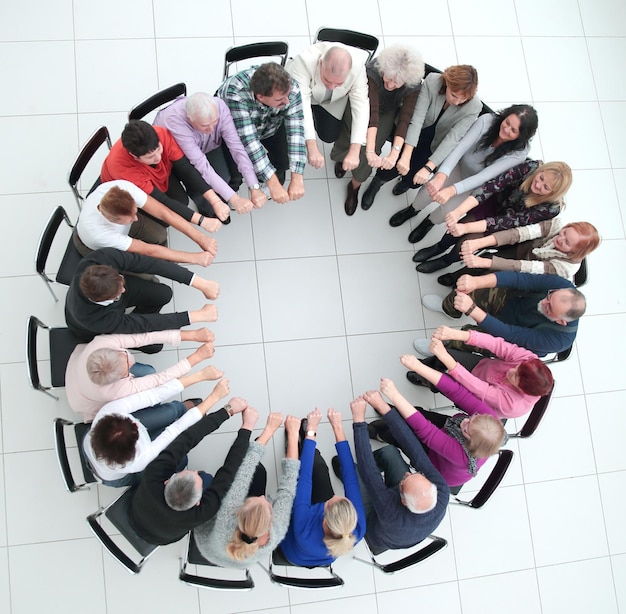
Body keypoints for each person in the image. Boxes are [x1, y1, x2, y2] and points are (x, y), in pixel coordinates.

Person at [390, 104, 539, 245]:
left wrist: (452, 190)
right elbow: (459, 149)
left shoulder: (519, 152)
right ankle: (412, 210)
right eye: (507, 122)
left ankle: (428, 223)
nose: (506, 130)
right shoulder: (487, 121)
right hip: (457, 165)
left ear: (521, 136)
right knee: (427, 192)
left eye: (513, 130)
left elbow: (485, 177)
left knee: (448, 211)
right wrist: (442, 175)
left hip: (476, 183)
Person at [128, 396, 254, 545]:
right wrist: (247, 427)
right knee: (207, 478)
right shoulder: (203, 513)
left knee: (191, 467)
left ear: (167, 482)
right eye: (196, 475)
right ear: (198, 503)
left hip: (134, 515)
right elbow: (229, 471)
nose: (195, 472)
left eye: (191, 473)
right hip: (158, 535)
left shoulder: (153, 475)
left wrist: (228, 411)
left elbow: (188, 437)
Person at [413, 159, 572, 274]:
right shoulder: (531, 167)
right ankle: (439, 247)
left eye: (545, 187)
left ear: (552, 194)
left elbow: (508, 223)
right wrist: (458, 212)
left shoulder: (550, 208)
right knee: (458, 225)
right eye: (541, 178)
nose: (537, 185)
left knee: (466, 242)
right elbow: (492, 185)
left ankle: (446, 261)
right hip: (495, 203)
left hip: (508, 226)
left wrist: (466, 229)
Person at [366, 362, 505, 488]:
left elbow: (426, 431)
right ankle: (394, 411)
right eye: (473, 417)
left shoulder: (461, 455)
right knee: (419, 413)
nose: (465, 420)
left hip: (437, 466)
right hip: (450, 429)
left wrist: (394, 395)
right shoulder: (489, 421)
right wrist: (418, 367)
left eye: (467, 427)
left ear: (469, 439)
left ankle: (381, 435)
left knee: (400, 435)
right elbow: (458, 392)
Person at [362, 64, 480, 209]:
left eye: (463, 100)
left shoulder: (474, 107)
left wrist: (429, 168)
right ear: (448, 83)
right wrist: (406, 154)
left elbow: (452, 139)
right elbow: (417, 118)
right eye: (454, 95)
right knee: (394, 163)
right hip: (416, 129)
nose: (457, 102)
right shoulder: (433, 81)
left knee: (415, 176)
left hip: (436, 142)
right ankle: (377, 182)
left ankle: (405, 183)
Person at [83, 371, 227, 487]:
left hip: (100, 449)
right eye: (136, 430)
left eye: (130, 421)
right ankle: (188, 410)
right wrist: (214, 397)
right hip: (113, 476)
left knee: (169, 412)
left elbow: (152, 395)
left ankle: (181, 408)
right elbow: (176, 430)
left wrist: (200, 375)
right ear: (134, 447)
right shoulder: (140, 459)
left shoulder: (106, 413)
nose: (138, 423)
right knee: (179, 458)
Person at [193, 413, 300, 568]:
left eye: (260, 500)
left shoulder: (227, 519)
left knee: (246, 473)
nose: (263, 497)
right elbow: (288, 486)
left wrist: (269, 430)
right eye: (266, 502)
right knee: (260, 474)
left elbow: (244, 473)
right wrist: (293, 435)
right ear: (271, 522)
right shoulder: (277, 531)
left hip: (209, 545)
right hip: (236, 559)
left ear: (237, 512)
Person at [331, 44, 423, 215]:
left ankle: (355, 186)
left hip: (388, 111)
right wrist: (370, 149)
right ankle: (343, 158)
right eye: (387, 78)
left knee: (374, 147)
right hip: (363, 103)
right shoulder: (373, 70)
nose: (390, 84)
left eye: (396, 82)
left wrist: (394, 152)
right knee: (349, 133)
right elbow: (371, 111)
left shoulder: (413, 85)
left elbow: (405, 119)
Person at [64, 248, 219, 349]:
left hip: (110, 302)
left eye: (121, 282)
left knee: (163, 293)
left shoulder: (100, 259)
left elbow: (150, 264)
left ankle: (144, 315)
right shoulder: (93, 319)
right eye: (119, 292)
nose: (123, 289)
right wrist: (197, 316)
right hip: (92, 328)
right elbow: (143, 324)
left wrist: (200, 283)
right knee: (155, 346)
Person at [350, 396, 449, 552]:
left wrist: (359, 422)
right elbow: (415, 450)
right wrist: (386, 410)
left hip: (379, 529)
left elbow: (368, 471)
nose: (406, 475)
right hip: (408, 523)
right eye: (415, 474)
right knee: (390, 452)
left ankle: (343, 468)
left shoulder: (390, 511)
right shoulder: (442, 491)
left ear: (402, 500)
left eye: (403, 482)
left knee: (353, 473)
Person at [420, 271, 586, 356]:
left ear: (561, 322)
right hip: (511, 303)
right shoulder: (563, 285)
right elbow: (521, 279)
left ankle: (437, 347)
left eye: (549, 309)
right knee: (476, 289)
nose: (544, 302)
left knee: (468, 338)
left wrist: (471, 310)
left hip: (510, 340)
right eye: (549, 296)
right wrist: (476, 282)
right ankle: (448, 309)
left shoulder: (557, 341)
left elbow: (511, 334)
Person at [65, 328, 216, 420]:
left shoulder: (101, 342)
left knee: (148, 372)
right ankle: (178, 409)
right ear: (117, 380)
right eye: (126, 372)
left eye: (124, 356)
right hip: (84, 399)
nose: (131, 362)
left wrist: (192, 335)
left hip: (78, 369)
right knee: (152, 394)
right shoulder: (113, 392)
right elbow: (159, 379)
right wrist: (197, 357)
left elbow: (144, 337)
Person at [154, 92, 268, 214]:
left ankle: (222, 200)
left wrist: (254, 186)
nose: (211, 130)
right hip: (178, 157)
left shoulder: (219, 106)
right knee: (199, 185)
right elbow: (202, 167)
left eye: (215, 122)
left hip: (207, 146)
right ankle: (209, 210)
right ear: (189, 118)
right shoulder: (175, 123)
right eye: (205, 126)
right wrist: (235, 199)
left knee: (224, 177)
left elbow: (237, 147)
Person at [280, 408, 366, 566]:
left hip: (293, 549)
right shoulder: (357, 527)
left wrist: (312, 431)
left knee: (293, 482)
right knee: (319, 468)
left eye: (330, 501)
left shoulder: (304, 532)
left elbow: (303, 479)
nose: (333, 496)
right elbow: (350, 478)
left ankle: (293, 444)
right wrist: (337, 427)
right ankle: (304, 445)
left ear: (324, 520)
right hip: (321, 539)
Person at [101, 120, 231, 224]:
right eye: (150, 157)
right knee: (167, 212)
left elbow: (187, 170)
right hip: (129, 190)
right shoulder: (121, 167)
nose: (158, 157)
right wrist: (201, 221)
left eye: (158, 148)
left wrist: (215, 201)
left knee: (181, 201)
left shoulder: (160, 134)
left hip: (159, 174)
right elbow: (160, 199)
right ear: (134, 157)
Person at [409, 327, 553, 419]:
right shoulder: (529, 360)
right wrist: (456, 334)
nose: (511, 369)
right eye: (518, 367)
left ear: (522, 388)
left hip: (476, 399)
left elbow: (479, 388)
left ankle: (424, 379)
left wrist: (446, 359)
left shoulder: (513, 404)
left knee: (442, 381)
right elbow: (497, 345)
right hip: (482, 367)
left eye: (515, 376)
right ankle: (423, 368)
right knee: (444, 357)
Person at [217, 62, 305, 205]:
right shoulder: (235, 94)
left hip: (270, 124)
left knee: (284, 160)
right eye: (280, 100)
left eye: (287, 96)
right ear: (261, 97)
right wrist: (273, 184)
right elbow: (249, 142)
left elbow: (296, 129)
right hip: (235, 131)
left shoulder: (289, 86)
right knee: (234, 175)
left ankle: (266, 176)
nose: (287, 101)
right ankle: (225, 199)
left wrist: (297, 176)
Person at [74, 180, 217, 265]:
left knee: (159, 234)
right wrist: (194, 258)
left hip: (119, 229)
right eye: (130, 218)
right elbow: (148, 249)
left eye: (135, 211)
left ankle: (167, 259)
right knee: (145, 270)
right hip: (93, 248)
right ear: (113, 219)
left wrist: (200, 237)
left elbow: (164, 212)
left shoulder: (122, 187)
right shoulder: (99, 234)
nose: (136, 218)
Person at [436, 219, 600, 286]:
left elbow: (524, 267)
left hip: (530, 276)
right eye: (564, 232)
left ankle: (463, 288)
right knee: (486, 257)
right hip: (524, 249)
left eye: (567, 242)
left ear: (575, 251)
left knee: (489, 269)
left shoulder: (564, 268)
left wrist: (488, 263)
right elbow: (519, 233)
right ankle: (455, 278)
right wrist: (479, 243)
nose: (560, 238)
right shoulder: (557, 225)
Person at [288, 43, 369, 177]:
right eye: (327, 80)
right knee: (296, 126)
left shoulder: (358, 68)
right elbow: (301, 104)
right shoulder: (304, 61)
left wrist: (355, 150)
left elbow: (361, 107)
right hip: (302, 95)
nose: (331, 86)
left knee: (328, 136)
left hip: (333, 100)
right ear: (320, 64)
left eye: (338, 83)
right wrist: (312, 147)